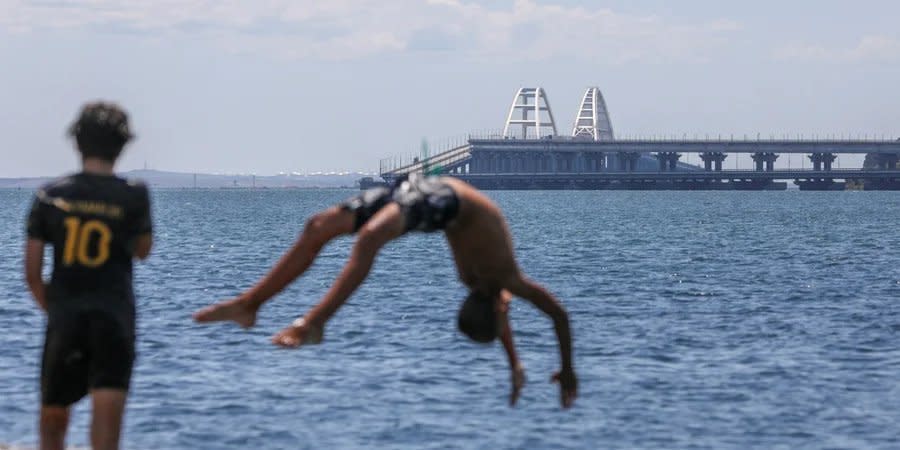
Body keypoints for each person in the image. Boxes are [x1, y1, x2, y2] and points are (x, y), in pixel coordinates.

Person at [194, 174, 577, 408]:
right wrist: (567, 370)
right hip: (438, 197)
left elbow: (504, 318)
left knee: (363, 239)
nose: (504, 309)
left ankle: (307, 321)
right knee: (319, 228)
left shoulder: (485, 288)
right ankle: (253, 305)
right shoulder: (509, 280)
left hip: (434, 202)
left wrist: (515, 364)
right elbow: (557, 314)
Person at [25, 102, 153, 450]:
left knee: (53, 414)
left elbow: (33, 273)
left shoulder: (50, 196)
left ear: (77, 141)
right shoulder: (134, 195)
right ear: (123, 144)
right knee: (107, 415)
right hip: (114, 316)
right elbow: (143, 250)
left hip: (66, 314)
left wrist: (53, 309)